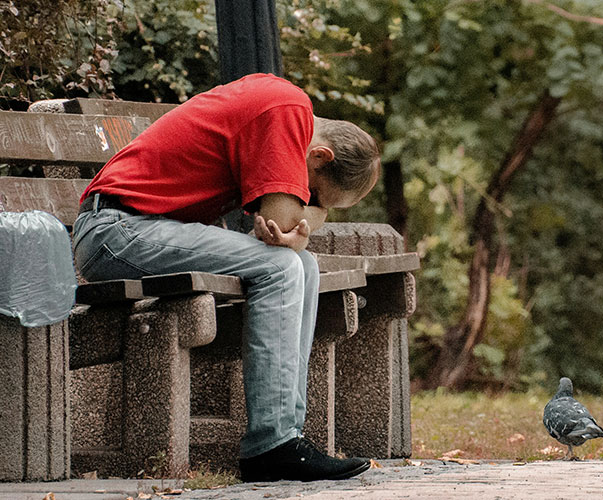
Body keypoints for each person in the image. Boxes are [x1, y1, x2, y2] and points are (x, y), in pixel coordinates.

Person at [72, 73, 380, 482]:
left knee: (301, 265)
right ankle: (273, 444)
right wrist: (304, 217)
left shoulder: (287, 113)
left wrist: (296, 226)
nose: (313, 207)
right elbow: (279, 221)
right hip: (116, 231)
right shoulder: (288, 109)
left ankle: (286, 437)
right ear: (320, 157)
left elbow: (280, 230)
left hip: (141, 230)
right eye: (317, 196)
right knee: (282, 266)